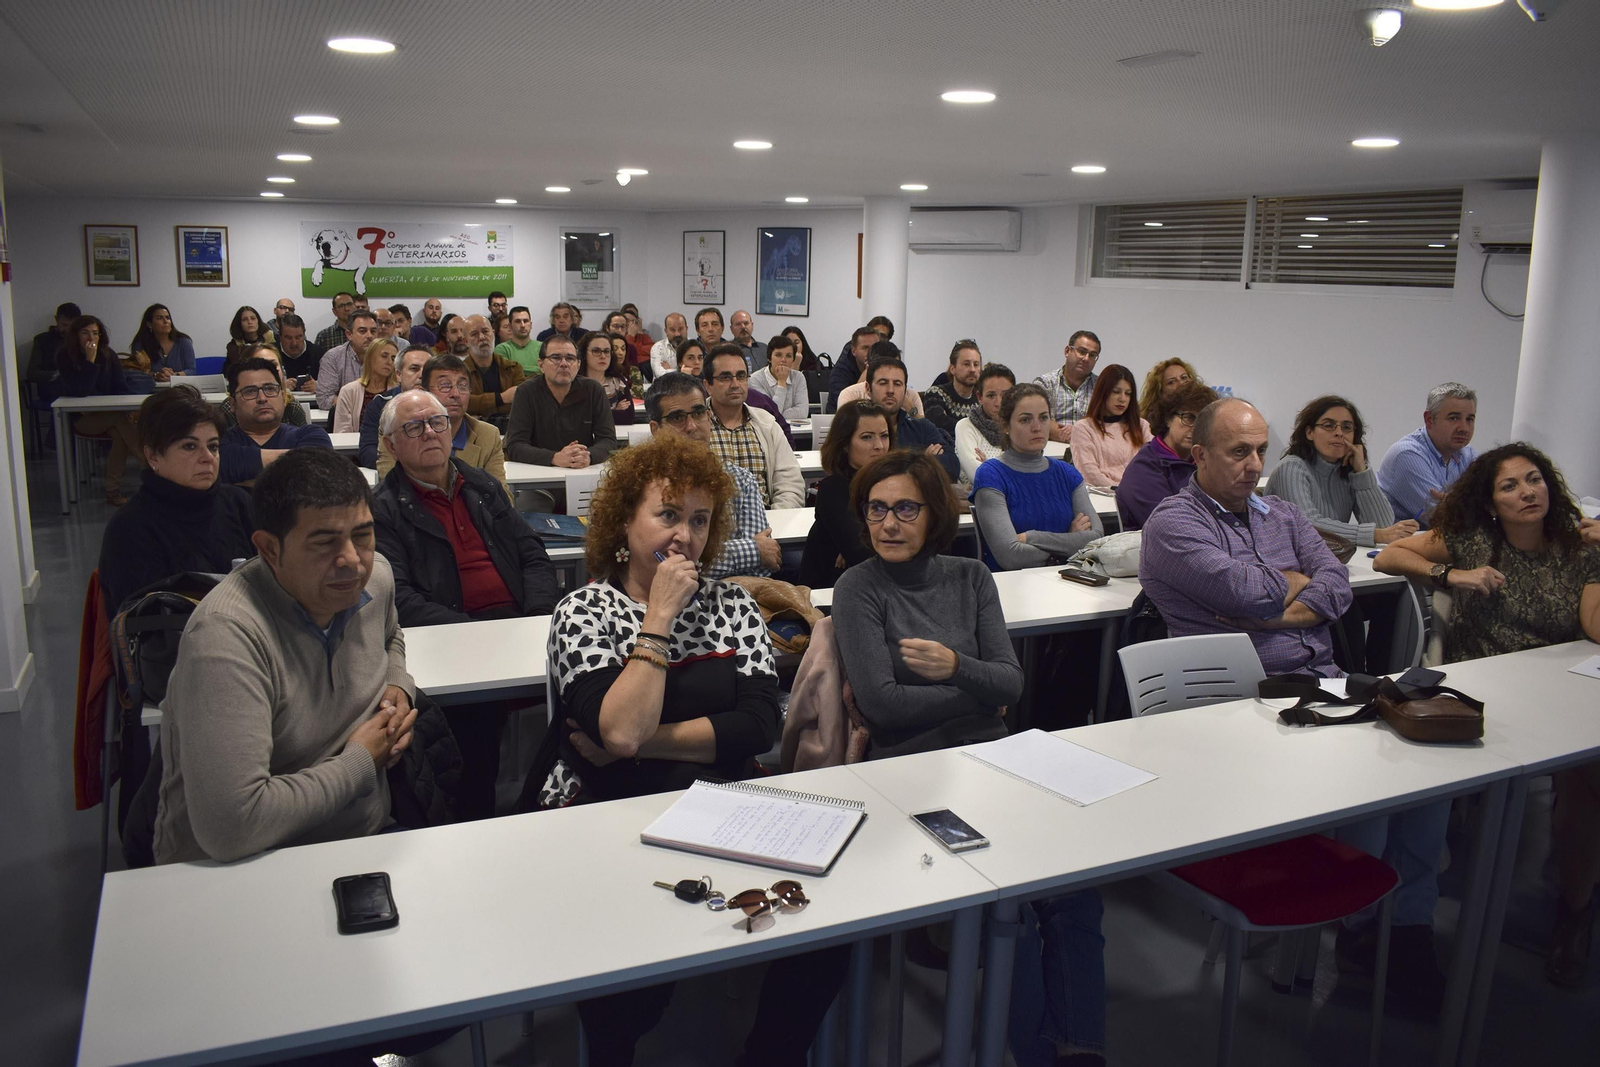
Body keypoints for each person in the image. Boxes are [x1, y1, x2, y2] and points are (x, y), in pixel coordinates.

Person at [543, 434, 841, 1066]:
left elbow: (757, 724)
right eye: (668, 514)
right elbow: (616, 730)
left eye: (700, 521)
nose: (685, 536)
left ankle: (770, 1053)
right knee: (627, 984)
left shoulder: (732, 602)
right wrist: (658, 619)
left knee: (829, 935)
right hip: (610, 804)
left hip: (725, 798)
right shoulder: (583, 610)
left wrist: (638, 743)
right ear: (624, 521)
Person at [1374, 443, 1600, 988]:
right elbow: (1390, 556)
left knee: (1589, 775)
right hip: (1480, 692)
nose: (1527, 492)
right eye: (1510, 486)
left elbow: (1594, 627)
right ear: (1491, 502)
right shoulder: (1477, 538)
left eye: (1535, 480)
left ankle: (1573, 910)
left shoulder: (1579, 549)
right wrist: (1452, 575)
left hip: (1555, 693)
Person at [153, 447, 415, 865]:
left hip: (362, 842)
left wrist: (398, 682)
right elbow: (231, 827)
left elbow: (390, 634)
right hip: (239, 870)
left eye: (362, 535)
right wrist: (362, 761)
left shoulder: (376, 577)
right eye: (324, 542)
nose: (352, 560)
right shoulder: (226, 637)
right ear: (269, 550)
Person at [373, 389, 555, 820]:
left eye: (438, 423)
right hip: (454, 636)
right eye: (413, 428)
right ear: (390, 444)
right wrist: (477, 636)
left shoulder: (480, 484)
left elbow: (532, 553)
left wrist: (538, 618)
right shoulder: (383, 509)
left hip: (518, 625)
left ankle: (552, 800)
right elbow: (400, 599)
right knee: (475, 729)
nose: (431, 434)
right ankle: (479, 820)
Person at [833, 449, 1023, 756]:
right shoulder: (857, 587)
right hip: (908, 755)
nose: (888, 524)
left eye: (906, 509)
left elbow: (1011, 683)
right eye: (877, 509)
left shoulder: (972, 576)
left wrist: (955, 666)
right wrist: (980, 695)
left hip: (988, 747)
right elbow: (883, 706)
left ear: (934, 513)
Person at [98, 387, 255, 617]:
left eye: (213, 446)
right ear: (153, 456)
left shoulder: (239, 503)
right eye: (189, 446)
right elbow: (146, 630)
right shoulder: (130, 528)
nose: (207, 457)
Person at [646, 373, 779, 579]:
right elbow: (657, 564)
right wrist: (751, 550)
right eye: (677, 418)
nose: (692, 426)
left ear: (708, 417)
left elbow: (763, 565)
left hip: (733, 601)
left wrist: (750, 554)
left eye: (698, 413)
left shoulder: (740, 480)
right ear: (656, 429)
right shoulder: (642, 483)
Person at [971, 383, 1104, 570]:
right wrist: (1069, 539)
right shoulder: (991, 475)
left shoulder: (1067, 474)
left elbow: (1097, 540)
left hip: (1068, 584)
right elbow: (1010, 556)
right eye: (1025, 420)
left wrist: (1032, 538)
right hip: (1013, 586)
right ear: (1005, 425)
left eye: (1043, 418)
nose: (1037, 427)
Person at [1267, 395, 1419, 547]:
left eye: (1346, 427)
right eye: (1329, 425)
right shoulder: (1291, 468)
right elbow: (1308, 526)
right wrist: (1375, 535)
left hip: (1330, 558)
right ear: (1309, 432)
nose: (1339, 433)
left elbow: (1383, 525)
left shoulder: (1346, 471)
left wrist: (1361, 472)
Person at [378, 354, 510, 498]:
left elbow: (503, 499)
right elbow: (391, 491)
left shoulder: (487, 435)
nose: (456, 394)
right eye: (445, 386)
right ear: (424, 392)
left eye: (462, 386)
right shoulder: (398, 432)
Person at [799, 401, 893, 588]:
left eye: (884, 436)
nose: (879, 446)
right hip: (831, 594)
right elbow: (862, 555)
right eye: (867, 437)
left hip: (881, 588)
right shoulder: (833, 489)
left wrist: (865, 540)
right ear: (844, 444)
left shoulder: (894, 484)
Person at [703, 344, 804, 508]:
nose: (735, 384)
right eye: (725, 377)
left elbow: (790, 483)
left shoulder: (767, 423)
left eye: (741, 376)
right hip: (712, 528)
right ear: (708, 385)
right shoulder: (694, 427)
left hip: (767, 524)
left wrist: (774, 521)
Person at [55, 315, 141, 505]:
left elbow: (121, 388)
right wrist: (89, 361)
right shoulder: (64, 356)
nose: (91, 338)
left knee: (120, 433)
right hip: (84, 419)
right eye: (85, 333)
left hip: (113, 416)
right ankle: (151, 471)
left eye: (95, 333)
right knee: (121, 421)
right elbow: (80, 391)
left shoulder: (108, 354)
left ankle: (113, 492)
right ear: (76, 335)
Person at [1116, 381, 1216, 531]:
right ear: (1168, 419)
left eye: (1202, 421)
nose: (1195, 428)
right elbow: (1172, 528)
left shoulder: (1204, 462)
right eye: (1188, 417)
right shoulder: (1145, 468)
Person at [506, 336, 618, 469]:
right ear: (541, 365)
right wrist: (554, 457)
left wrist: (589, 456)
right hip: (539, 473)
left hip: (582, 470)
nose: (564, 363)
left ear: (578, 364)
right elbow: (515, 445)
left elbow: (608, 440)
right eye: (556, 358)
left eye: (570, 358)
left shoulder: (593, 390)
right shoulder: (526, 392)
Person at [1377, 382, 1479, 528]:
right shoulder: (1407, 455)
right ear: (1429, 419)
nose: (1464, 428)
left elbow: (1496, 505)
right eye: (1454, 418)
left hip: (1439, 544)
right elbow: (1445, 519)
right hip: (1397, 546)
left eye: (1470, 419)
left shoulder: (1469, 455)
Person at [219, 357, 333, 485]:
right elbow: (224, 464)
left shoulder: (310, 434)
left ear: (284, 397)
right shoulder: (218, 441)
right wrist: (299, 464)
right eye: (250, 391)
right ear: (232, 404)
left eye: (270, 389)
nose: (262, 398)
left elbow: (321, 465)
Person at [864, 352, 959, 482]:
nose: (890, 390)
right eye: (883, 383)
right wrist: (922, 461)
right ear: (868, 388)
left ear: (905, 391)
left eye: (897, 384)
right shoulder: (857, 426)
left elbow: (952, 467)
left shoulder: (921, 427)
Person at [1068, 363, 1150, 487]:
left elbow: (1153, 465)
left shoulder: (1141, 425)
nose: (1122, 399)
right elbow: (1090, 474)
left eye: (1128, 393)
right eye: (1116, 392)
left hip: (1141, 493)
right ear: (1103, 392)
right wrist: (1123, 493)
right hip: (1106, 497)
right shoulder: (1083, 428)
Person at [359, 344, 433, 468]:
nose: (421, 375)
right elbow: (367, 451)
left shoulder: (441, 404)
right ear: (398, 374)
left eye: (427, 371)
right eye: (414, 369)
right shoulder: (380, 405)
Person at [219, 345, 310, 430]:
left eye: (273, 365)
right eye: (260, 364)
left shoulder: (292, 405)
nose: (262, 398)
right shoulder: (230, 408)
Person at [1035, 330, 1101, 442]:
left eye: (1092, 355)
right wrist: (1078, 434)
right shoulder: (1045, 383)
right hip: (1052, 450)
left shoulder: (1101, 386)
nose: (1086, 358)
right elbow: (1039, 420)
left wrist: (1076, 432)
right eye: (1082, 351)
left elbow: (1105, 425)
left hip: (1090, 450)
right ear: (1067, 351)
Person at [954, 364, 1014, 486]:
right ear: (980, 397)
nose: (999, 403)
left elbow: (1029, 472)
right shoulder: (965, 427)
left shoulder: (1019, 428)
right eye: (991, 395)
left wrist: (989, 464)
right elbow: (978, 476)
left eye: (1005, 395)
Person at [836, 338, 925, 419]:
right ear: (868, 368)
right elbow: (844, 432)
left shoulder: (911, 396)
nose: (891, 390)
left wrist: (911, 409)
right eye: (883, 382)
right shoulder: (851, 395)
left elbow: (925, 432)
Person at [460, 313, 524, 424]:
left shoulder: (513, 368)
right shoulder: (459, 372)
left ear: (493, 334)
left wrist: (479, 408)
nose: (482, 337)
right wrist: (501, 398)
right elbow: (463, 403)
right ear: (466, 342)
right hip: (474, 431)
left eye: (485, 331)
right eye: (474, 334)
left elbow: (521, 401)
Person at [314, 309, 380, 410]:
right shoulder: (333, 357)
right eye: (362, 331)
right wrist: (356, 405)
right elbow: (324, 398)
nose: (369, 336)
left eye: (373, 331)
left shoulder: (386, 357)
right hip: (346, 417)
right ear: (349, 334)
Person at [332, 337, 399, 433]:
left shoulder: (398, 392)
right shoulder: (348, 391)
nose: (389, 362)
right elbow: (342, 431)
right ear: (370, 358)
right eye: (384, 356)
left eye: (393, 359)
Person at [923, 340, 983, 435]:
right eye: (966, 364)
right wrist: (974, 429)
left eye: (976, 365)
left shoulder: (981, 400)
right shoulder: (935, 393)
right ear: (952, 369)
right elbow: (938, 424)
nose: (972, 369)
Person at [125, 304, 197, 381]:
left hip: (179, 389)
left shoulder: (183, 342)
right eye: (159, 318)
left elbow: (192, 371)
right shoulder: (140, 345)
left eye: (167, 318)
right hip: (151, 390)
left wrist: (174, 376)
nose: (166, 321)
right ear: (149, 324)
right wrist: (156, 375)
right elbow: (137, 373)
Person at [748, 334, 809, 421]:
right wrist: (781, 383)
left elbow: (802, 412)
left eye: (788, 356)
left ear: (793, 360)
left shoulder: (798, 377)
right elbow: (768, 415)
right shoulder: (755, 380)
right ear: (769, 358)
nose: (783, 360)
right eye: (778, 355)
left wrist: (778, 414)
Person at [579, 330, 633, 427]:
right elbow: (580, 419)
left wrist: (596, 416)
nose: (603, 356)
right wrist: (614, 411)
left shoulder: (618, 380)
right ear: (584, 354)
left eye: (606, 351)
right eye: (596, 351)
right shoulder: (575, 382)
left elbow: (628, 417)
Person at [1138, 357, 1205, 425]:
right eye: (1172, 382)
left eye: (1184, 377)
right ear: (1160, 392)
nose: (1181, 383)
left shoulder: (1207, 410)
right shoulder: (1149, 424)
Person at [26, 301, 78, 385]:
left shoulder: (81, 340)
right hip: (51, 391)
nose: (68, 329)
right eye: (65, 325)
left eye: (72, 326)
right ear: (56, 319)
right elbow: (32, 373)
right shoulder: (42, 340)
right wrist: (57, 374)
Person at [274, 314, 324, 390]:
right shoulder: (270, 354)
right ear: (280, 337)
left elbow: (333, 384)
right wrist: (278, 386)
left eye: (298, 337)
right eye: (288, 338)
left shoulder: (319, 353)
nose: (294, 343)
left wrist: (319, 386)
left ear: (304, 335)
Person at [494, 305, 541, 373]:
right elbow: (507, 374)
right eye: (518, 321)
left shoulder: (543, 347)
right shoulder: (502, 349)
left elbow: (548, 372)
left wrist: (517, 369)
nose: (522, 325)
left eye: (525, 321)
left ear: (531, 325)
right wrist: (537, 370)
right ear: (510, 326)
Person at [649, 312, 689, 378]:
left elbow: (696, 372)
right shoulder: (658, 347)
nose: (677, 334)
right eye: (672, 330)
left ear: (686, 329)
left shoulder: (693, 347)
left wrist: (669, 370)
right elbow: (660, 374)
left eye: (680, 329)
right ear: (666, 331)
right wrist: (682, 371)